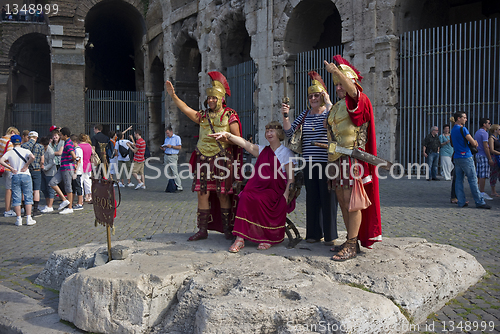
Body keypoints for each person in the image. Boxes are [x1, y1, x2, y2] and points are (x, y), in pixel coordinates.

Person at [165, 71, 243, 241]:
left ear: (222, 98)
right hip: (204, 159)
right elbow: (186, 109)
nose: (211, 100)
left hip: (222, 159)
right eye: (209, 98)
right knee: (203, 193)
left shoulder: (230, 115)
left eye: (214, 98)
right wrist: (173, 95)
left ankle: (227, 228)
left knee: (223, 194)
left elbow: (238, 140)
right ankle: (202, 230)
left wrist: (226, 138)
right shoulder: (203, 116)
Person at [324, 56, 382, 261]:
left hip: (351, 158)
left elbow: (353, 93)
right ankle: (352, 239)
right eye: (336, 84)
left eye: (341, 83)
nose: (338, 86)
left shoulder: (359, 99)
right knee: (341, 199)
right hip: (336, 159)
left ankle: (351, 244)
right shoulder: (339, 105)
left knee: (352, 201)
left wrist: (337, 71)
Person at [208, 122, 296, 252]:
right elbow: (244, 143)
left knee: (262, 199)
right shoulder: (262, 150)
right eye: (267, 131)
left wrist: (285, 196)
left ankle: (266, 237)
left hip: (276, 191)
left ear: (279, 134)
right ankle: (240, 238)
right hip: (260, 187)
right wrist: (227, 135)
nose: (269, 133)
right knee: (245, 196)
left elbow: (291, 179)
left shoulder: (286, 153)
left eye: (272, 131)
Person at [282, 71, 338, 246]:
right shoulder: (305, 115)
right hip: (309, 162)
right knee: (312, 198)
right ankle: (314, 233)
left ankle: (330, 236)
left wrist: (328, 101)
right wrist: (286, 116)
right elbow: (289, 133)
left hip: (327, 162)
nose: (313, 98)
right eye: (311, 96)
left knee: (328, 198)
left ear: (322, 96)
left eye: (317, 95)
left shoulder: (329, 111)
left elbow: (334, 124)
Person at [450, 111, 490, 209]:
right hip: (466, 156)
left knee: (459, 180)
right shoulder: (463, 129)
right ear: (459, 118)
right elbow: (474, 143)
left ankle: (461, 201)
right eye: (464, 117)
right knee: (473, 180)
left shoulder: (453, 130)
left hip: (457, 157)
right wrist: (475, 142)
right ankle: (479, 202)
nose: (466, 119)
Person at [0, 134, 36, 226]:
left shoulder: (10, 152)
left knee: (16, 197)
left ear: (12, 143)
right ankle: (28, 218)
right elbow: (32, 157)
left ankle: (18, 219)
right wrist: (26, 165)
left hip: (15, 175)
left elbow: (1, 160)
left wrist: (11, 168)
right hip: (26, 175)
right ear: (20, 142)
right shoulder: (26, 150)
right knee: (28, 196)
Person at [48, 127, 77, 214]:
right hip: (62, 167)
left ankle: (70, 207)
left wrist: (73, 160)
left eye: (61, 135)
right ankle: (64, 200)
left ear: (65, 135)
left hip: (67, 168)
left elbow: (73, 154)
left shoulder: (68, 144)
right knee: (52, 182)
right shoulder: (67, 142)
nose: (60, 136)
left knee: (68, 187)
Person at [21, 131, 44, 216]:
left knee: (25, 190)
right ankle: (35, 210)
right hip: (36, 170)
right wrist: (40, 165)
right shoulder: (40, 146)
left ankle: (25, 210)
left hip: (26, 170)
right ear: (36, 137)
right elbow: (42, 161)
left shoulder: (23, 146)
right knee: (36, 190)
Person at [1, 127, 20, 217]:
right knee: (9, 189)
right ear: (12, 132)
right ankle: (7, 210)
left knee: (8, 188)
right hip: (8, 168)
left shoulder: (1, 140)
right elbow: (9, 156)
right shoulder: (9, 142)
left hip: (2, 168)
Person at [474, 117, 494, 200]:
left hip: (478, 154)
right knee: (483, 175)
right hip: (483, 155)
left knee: (479, 174)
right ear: (484, 124)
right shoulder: (485, 133)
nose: (490, 125)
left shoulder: (477, 132)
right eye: (488, 123)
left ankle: (477, 190)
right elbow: (486, 147)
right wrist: (490, 158)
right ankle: (482, 192)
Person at [161, 125, 183, 191]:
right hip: (166, 155)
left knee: (174, 171)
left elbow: (179, 147)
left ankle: (179, 186)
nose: (167, 134)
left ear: (171, 132)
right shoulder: (166, 139)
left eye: (168, 133)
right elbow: (165, 146)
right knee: (168, 172)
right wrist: (163, 148)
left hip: (173, 156)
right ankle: (171, 185)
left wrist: (172, 146)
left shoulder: (177, 138)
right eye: (166, 133)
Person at [39, 136, 56, 213]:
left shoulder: (50, 151)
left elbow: (52, 163)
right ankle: (47, 204)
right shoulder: (40, 149)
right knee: (43, 188)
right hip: (43, 171)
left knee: (50, 189)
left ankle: (50, 205)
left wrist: (44, 167)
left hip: (50, 172)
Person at [70, 135, 84, 210]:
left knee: (78, 186)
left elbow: (78, 160)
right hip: (76, 171)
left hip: (77, 171)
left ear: (74, 142)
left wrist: (75, 171)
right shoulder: (76, 149)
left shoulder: (77, 150)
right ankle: (73, 202)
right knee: (74, 187)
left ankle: (79, 203)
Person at [78, 134, 93, 202]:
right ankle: (89, 195)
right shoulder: (89, 145)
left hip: (81, 165)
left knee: (80, 182)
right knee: (88, 181)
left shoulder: (79, 146)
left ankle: (81, 196)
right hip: (88, 164)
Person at [488, 124, 500, 197]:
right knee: (494, 173)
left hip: (498, 157)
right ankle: (493, 191)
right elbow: (492, 150)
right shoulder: (491, 138)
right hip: (495, 157)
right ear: (495, 130)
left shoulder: (497, 138)